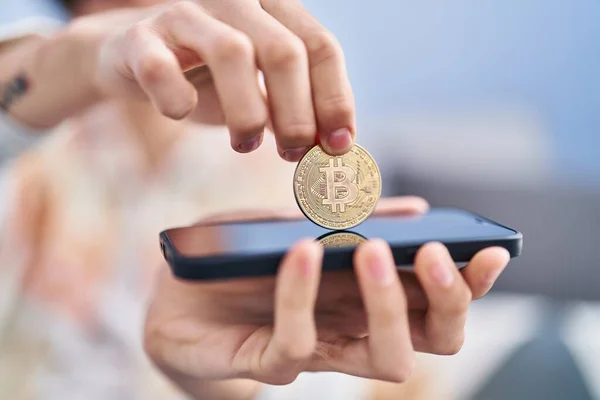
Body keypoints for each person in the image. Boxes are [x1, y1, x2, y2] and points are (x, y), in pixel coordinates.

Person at [0, 0, 511, 399]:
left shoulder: (280, 140)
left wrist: (226, 384)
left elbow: (290, 370)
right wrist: (84, 59)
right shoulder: (37, 138)